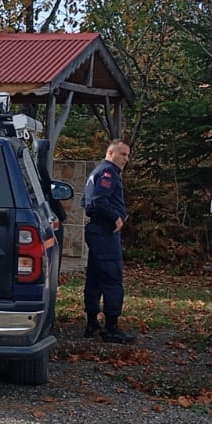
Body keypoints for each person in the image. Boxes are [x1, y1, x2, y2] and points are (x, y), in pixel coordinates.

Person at [83, 139, 134, 342]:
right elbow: (97, 201)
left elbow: (85, 201)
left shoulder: (97, 171)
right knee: (112, 277)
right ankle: (111, 327)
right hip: (105, 232)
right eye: (123, 154)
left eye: (128, 155)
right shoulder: (108, 172)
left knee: (95, 278)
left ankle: (92, 323)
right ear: (110, 153)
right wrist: (115, 217)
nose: (126, 159)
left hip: (96, 231)